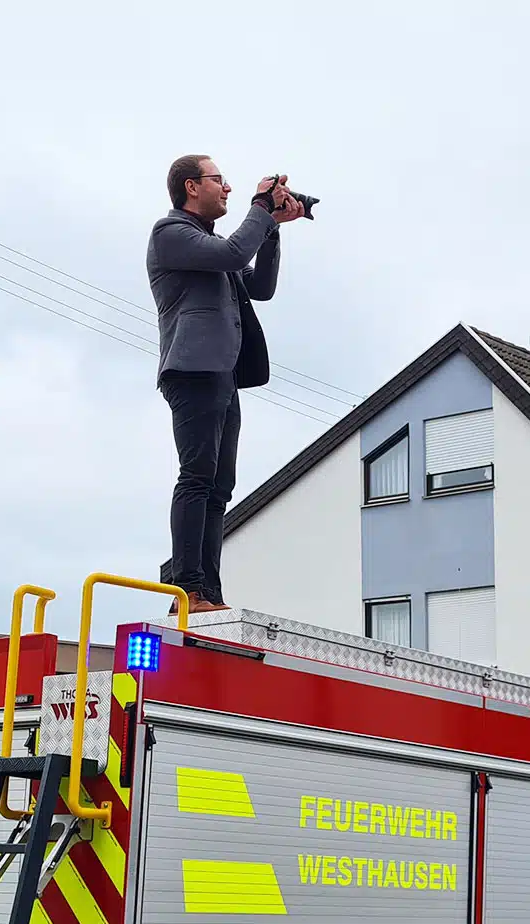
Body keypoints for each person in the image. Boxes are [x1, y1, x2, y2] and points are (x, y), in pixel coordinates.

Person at [148, 156, 307, 613]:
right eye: (219, 180)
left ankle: (209, 593)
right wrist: (261, 206)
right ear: (192, 187)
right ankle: (187, 590)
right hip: (193, 368)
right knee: (197, 476)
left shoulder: (209, 244)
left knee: (220, 486)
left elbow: (261, 286)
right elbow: (236, 254)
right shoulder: (171, 233)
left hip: (222, 372)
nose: (228, 189)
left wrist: (273, 227)